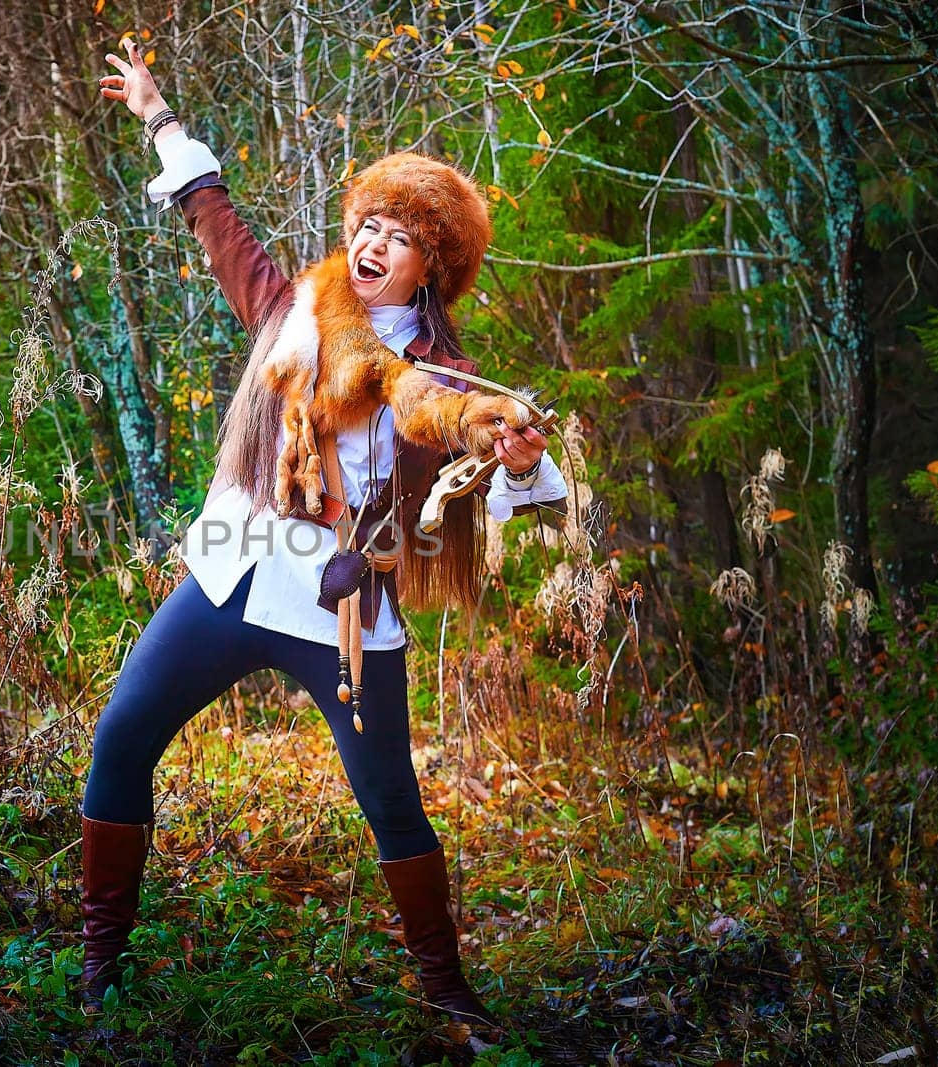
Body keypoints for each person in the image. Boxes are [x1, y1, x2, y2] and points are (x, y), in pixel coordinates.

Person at [81, 39, 568, 1040]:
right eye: (370, 223)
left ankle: (446, 987)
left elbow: (474, 448)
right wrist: (156, 115)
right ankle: (100, 965)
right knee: (122, 738)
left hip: (342, 610)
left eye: (402, 233)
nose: (376, 241)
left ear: (436, 262)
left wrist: (516, 454)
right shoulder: (296, 307)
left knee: (389, 796)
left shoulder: (446, 373)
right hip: (229, 575)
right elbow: (214, 215)